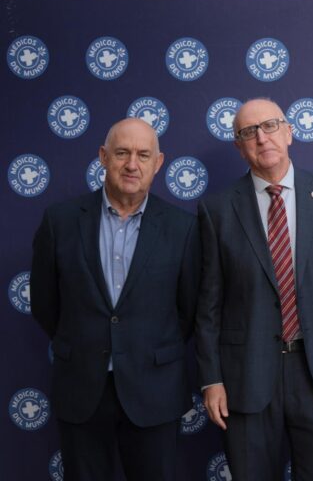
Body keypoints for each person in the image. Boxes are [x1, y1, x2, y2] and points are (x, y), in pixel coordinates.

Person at [195, 98, 313, 480]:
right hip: (246, 378)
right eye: (248, 132)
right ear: (239, 147)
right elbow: (208, 306)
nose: (262, 137)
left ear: (289, 132)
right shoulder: (217, 210)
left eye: (270, 126)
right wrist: (212, 379)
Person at [30, 118, 200, 480]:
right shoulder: (59, 222)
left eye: (143, 154)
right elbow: (45, 304)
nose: (132, 164)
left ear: (159, 162)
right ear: (103, 157)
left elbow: (188, 311)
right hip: (81, 388)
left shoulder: (183, 229)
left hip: (154, 390)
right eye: (122, 153)